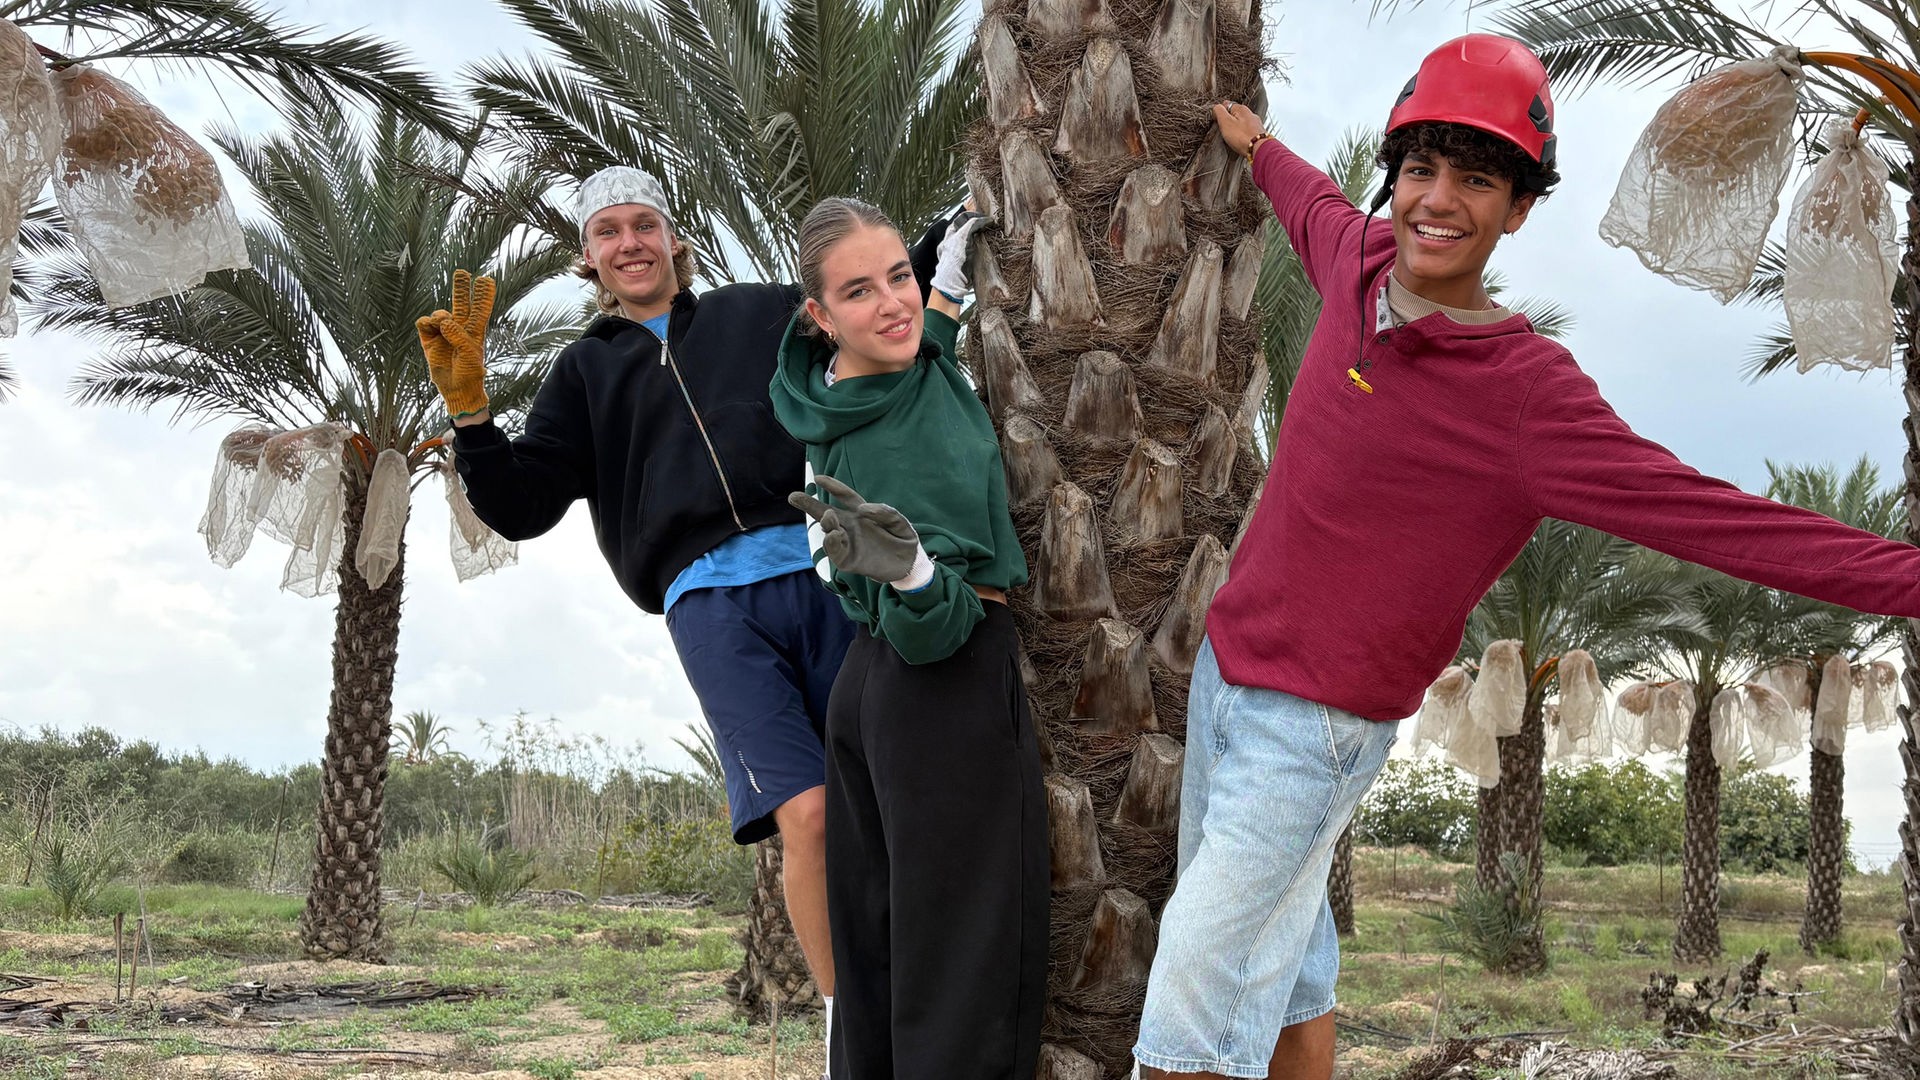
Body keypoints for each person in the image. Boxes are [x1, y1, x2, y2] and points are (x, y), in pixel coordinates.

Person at [1134, 34, 1920, 1080]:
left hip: (1311, 732)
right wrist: (1258, 142)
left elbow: (1715, 519)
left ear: (1519, 208)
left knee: (1190, 1014)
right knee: (1290, 972)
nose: (1437, 200)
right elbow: (1311, 202)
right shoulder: (1357, 261)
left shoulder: (1527, 397)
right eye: (1421, 169)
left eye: (1476, 178)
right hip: (1225, 681)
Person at [417, 167, 943, 1072]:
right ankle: (844, 1029)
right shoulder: (583, 374)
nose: (629, 244)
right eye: (608, 232)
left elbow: (864, 303)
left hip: (828, 575)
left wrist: (942, 237)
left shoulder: (758, 314)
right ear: (586, 259)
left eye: (643, 225)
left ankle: (932, 1005)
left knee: (895, 802)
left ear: (673, 237)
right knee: (808, 814)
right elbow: (521, 506)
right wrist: (472, 417)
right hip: (710, 607)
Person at [768, 197, 1048, 1080]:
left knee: (886, 951)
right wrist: (920, 577)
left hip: (874, 692)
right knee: (964, 960)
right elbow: (930, 635)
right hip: (941, 676)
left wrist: (948, 292)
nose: (891, 303)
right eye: (859, 292)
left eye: (898, 275)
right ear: (818, 317)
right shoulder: (879, 451)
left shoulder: (856, 388)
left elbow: (915, 353)